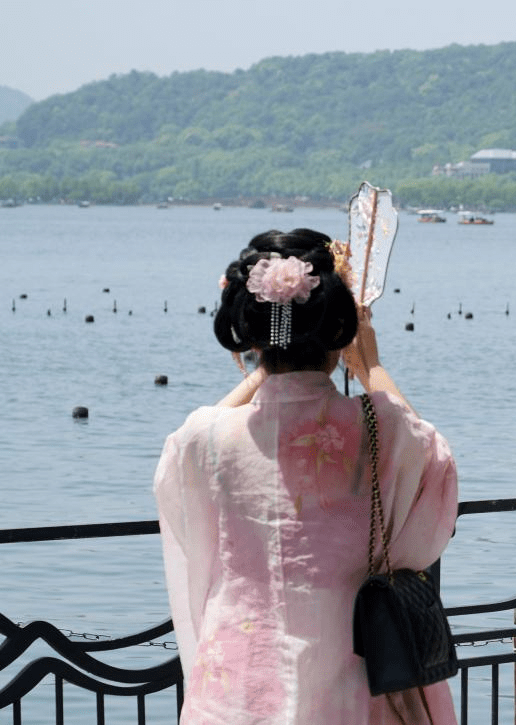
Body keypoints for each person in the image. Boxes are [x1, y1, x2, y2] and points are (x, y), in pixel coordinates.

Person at [154, 228, 459, 725]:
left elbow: (180, 455)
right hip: (355, 680)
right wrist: (372, 366)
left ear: (251, 335)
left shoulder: (205, 440)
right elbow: (437, 472)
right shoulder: (379, 427)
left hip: (237, 690)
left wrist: (267, 366)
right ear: (339, 332)